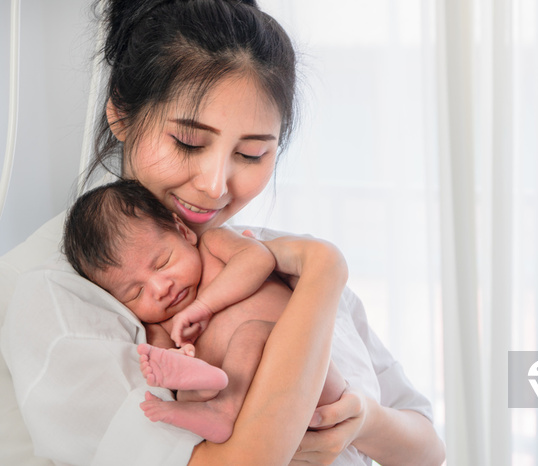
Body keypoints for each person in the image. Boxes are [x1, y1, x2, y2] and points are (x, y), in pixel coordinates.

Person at [1, 0, 445, 465]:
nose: (215, 185)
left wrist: (365, 421)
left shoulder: (280, 253)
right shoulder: (56, 296)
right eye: (188, 142)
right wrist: (325, 272)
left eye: (251, 153)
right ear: (121, 115)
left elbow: (428, 449)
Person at [63, 179, 347, 443]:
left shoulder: (214, 246)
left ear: (184, 232)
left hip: (311, 379)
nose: (160, 288)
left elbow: (259, 259)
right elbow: (162, 365)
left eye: (163, 262)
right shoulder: (159, 325)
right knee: (187, 388)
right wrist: (177, 360)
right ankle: (212, 399)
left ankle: (223, 409)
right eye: (135, 293)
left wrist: (204, 306)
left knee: (254, 332)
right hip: (257, 414)